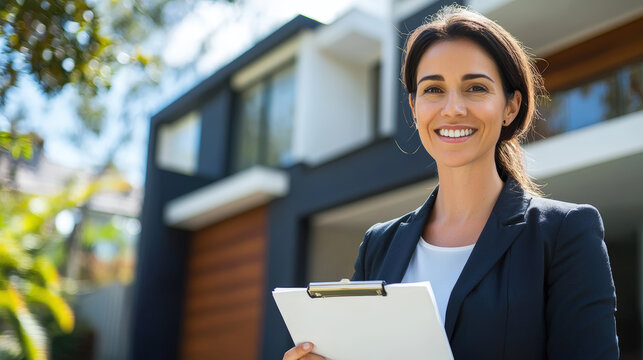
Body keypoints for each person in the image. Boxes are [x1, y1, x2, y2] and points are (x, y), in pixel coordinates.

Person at [283, 5, 618, 360]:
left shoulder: (565, 233)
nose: (453, 108)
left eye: (475, 87)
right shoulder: (379, 245)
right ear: (414, 108)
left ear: (511, 106)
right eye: (433, 90)